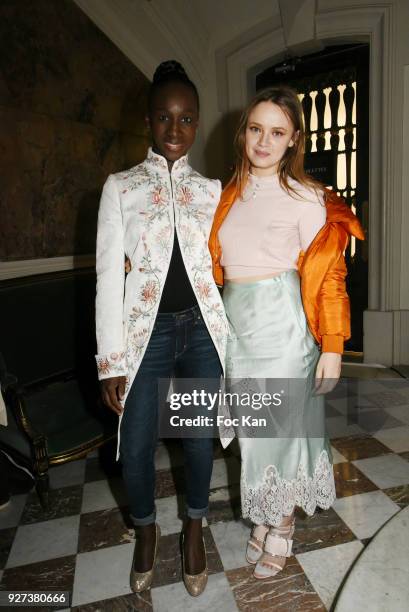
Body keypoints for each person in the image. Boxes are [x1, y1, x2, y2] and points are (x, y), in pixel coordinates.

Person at [209, 85, 364, 579]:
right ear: (244, 132)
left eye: (277, 132)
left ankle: (282, 524)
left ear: (294, 139)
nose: (263, 140)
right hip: (236, 328)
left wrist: (334, 347)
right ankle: (264, 512)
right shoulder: (225, 195)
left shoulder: (307, 199)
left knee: (282, 430)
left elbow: (331, 278)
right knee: (254, 435)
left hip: (282, 326)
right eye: (256, 129)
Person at [95, 60, 229, 596]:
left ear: (197, 124)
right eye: (165, 118)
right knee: (136, 440)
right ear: (148, 121)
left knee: (198, 442)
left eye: (187, 119)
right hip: (142, 337)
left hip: (200, 331)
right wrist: (111, 358)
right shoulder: (119, 187)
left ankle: (194, 527)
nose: (176, 130)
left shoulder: (212, 189)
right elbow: (107, 275)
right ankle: (146, 530)